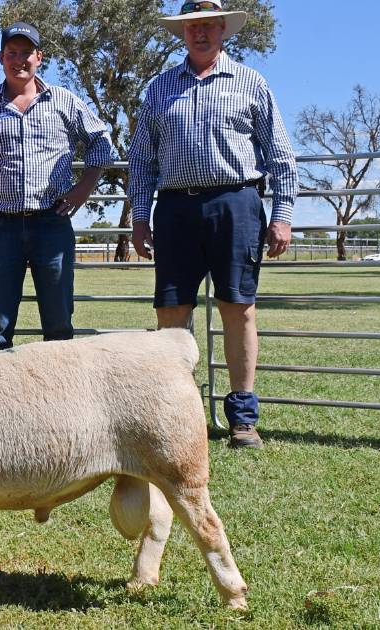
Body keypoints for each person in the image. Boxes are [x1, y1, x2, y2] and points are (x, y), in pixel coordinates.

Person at [127, 1, 298, 449]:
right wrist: (140, 216)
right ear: (182, 33)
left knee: (238, 308)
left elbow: (279, 154)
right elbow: (143, 159)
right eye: (191, 27)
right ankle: (174, 413)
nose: (199, 33)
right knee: (171, 311)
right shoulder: (160, 88)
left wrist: (281, 214)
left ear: (223, 29)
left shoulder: (251, 82)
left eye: (207, 25)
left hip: (236, 202)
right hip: (176, 207)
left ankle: (243, 418)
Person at [0, 22, 114, 350]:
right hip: (0, 225)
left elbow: (100, 140)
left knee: (59, 322)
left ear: (40, 57)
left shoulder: (64, 101)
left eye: (26, 53)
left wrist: (84, 188)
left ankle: (61, 399)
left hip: (52, 223)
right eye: (12, 53)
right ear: (1, 57)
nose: (19, 59)